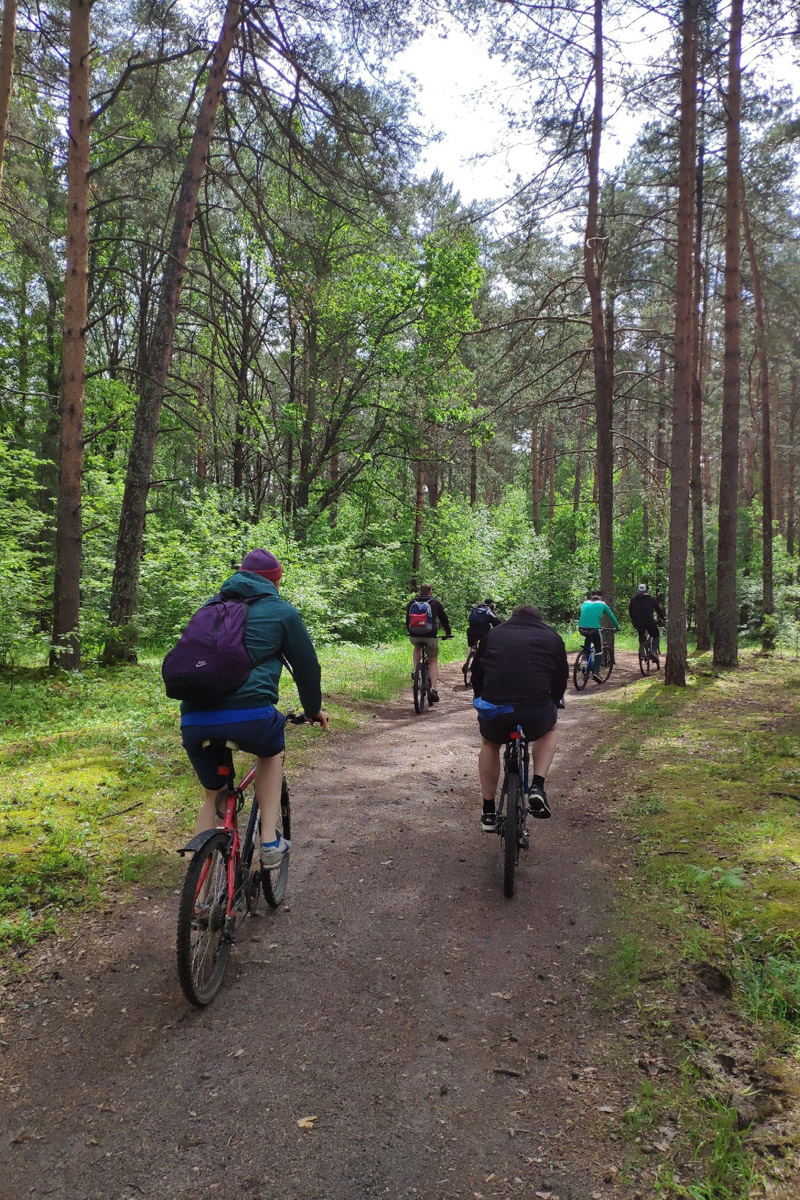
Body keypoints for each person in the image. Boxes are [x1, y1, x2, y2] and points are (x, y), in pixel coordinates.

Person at [179, 549, 327, 869]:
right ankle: (270, 842)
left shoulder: (209, 606)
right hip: (250, 718)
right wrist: (313, 709)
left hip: (193, 718)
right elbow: (306, 668)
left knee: (213, 794)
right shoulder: (281, 611)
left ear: (240, 574)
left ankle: (200, 899)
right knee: (270, 751)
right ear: (277, 580)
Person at [472, 604, 568, 828]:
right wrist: (554, 700)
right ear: (539, 619)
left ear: (512, 618)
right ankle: (538, 785)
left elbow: (477, 672)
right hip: (534, 709)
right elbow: (560, 675)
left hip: (495, 708)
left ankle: (488, 811)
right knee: (550, 729)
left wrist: (481, 698)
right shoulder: (552, 636)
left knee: (490, 743)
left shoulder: (493, 634)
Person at [405, 583, 452, 703]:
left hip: (414, 635)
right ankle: (433, 689)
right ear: (431, 592)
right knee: (432, 660)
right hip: (430, 636)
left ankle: (416, 670)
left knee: (417, 647)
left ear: (419, 591)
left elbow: (407, 620)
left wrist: (411, 632)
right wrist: (447, 632)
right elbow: (444, 619)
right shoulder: (434, 603)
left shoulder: (412, 603)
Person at [578, 589, 620, 682]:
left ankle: (584, 658)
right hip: (594, 629)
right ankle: (596, 672)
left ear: (591, 596)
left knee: (587, 645)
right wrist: (617, 627)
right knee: (599, 649)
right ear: (601, 597)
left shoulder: (585, 603)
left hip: (582, 629)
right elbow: (612, 617)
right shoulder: (602, 604)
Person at [628, 583, 665, 658]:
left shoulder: (633, 600)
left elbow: (630, 611)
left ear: (638, 590)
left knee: (641, 633)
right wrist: (662, 617)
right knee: (656, 635)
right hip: (649, 622)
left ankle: (642, 647)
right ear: (646, 590)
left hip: (638, 623)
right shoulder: (651, 599)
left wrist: (634, 620)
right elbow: (658, 609)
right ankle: (653, 651)